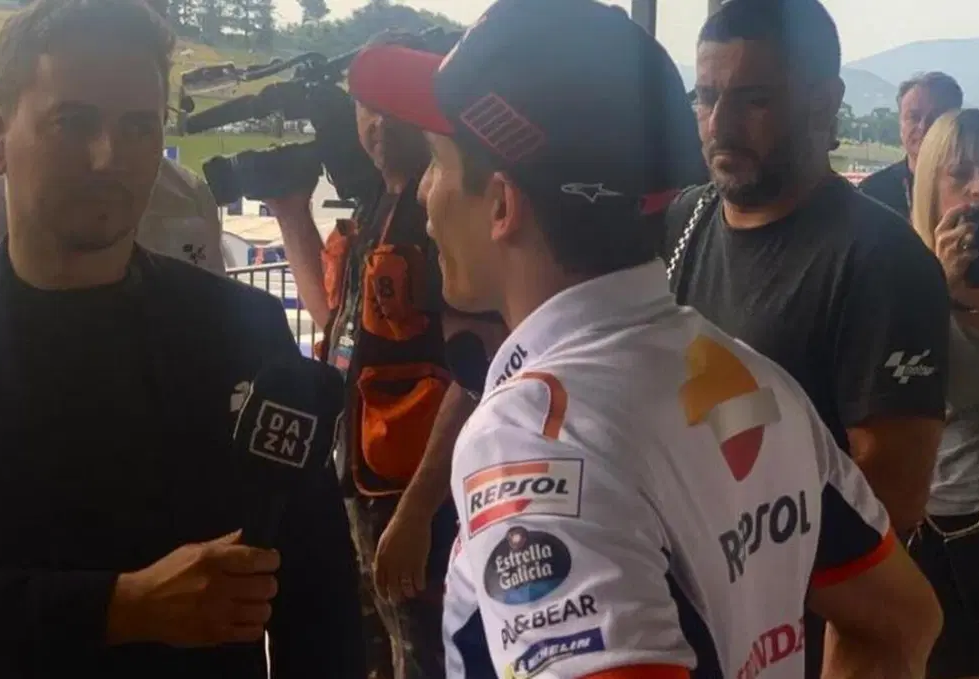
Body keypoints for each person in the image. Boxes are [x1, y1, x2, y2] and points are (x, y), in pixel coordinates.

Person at [348, 1, 944, 676]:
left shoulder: (533, 439)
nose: (424, 194)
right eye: (708, 97)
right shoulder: (762, 384)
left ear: (503, 204)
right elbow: (903, 621)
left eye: (438, 162)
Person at [0, 2, 361, 678]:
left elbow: (318, 596)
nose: (109, 157)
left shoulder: (243, 330)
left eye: (138, 126)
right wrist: (126, 606)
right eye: (73, 122)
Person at [669, 3, 953, 673]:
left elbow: (888, 506)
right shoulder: (683, 222)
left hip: (796, 639)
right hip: (683, 621)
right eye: (706, 97)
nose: (719, 124)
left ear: (824, 103)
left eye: (754, 100)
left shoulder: (882, 260)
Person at [266, 29, 504, 679]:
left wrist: (420, 508)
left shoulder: (442, 218)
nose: (375, 124)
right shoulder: (376, 207)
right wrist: (290, 214)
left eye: (390, 107)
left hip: (419, 495)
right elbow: (337, 324)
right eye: (363, 107)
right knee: (375, 652)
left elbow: (480, 371)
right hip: (362, 479)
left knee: (425, 654)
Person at [908, 107, 979, 679]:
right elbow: (896, 396)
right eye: (961, 174)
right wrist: (934, 292)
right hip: (934, 525)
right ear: (929, 186)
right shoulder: (899, 279)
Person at [0, 154, 227, 274]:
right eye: (75, 122)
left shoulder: (189, 192)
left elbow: (214, 312)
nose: (107, 151)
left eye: (140, 125)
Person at [860, 72, 964, 219]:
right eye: (913, 117)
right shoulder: (872, 193)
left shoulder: (976, 189)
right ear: (900, 123)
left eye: (936, 118)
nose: (923, 126)